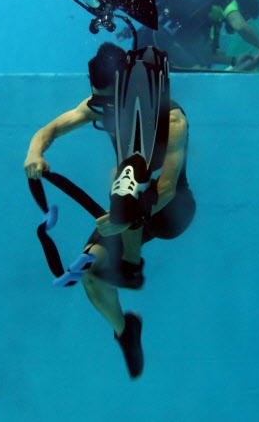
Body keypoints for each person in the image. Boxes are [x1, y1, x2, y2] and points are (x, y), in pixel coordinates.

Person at [24, 42, 196, 378]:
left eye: (109, 102)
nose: (104, 110)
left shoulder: (171, 119)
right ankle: (125, 330)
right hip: (125, 211)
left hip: (170, 210)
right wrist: (34, 152)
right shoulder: (103, 102)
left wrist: (126, 218)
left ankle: (130, 265)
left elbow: (166, 187)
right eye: (98, 102)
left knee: (126, 176)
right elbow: (52, 129)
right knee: (91, 276)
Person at [118, 0, 259, 70]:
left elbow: (203, 53)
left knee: (197, 69)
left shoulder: (212, 11)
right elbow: (240, 26)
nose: (245, 21)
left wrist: (233, 60)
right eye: (247, 17)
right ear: (241, 8)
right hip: (160, 38)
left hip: (150, 41)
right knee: (198, 72)